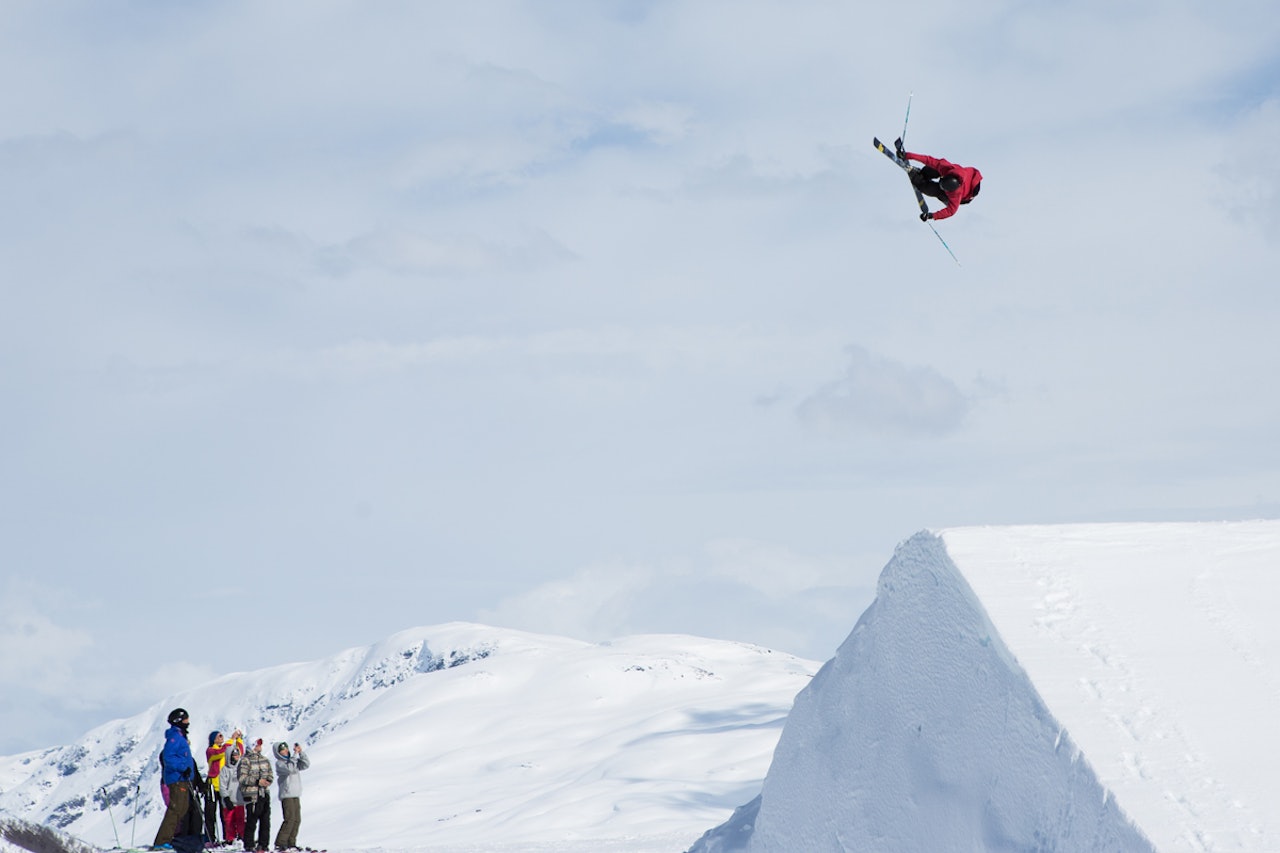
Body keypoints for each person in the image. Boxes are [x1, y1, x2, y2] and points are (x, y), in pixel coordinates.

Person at [894, 138, 982, 222]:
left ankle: (919, 181)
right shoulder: (946, 167)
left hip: (966, 196)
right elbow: (928, 159)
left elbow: (950, 211)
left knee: (932, 190)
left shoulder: (955, 196)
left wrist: (932, 216)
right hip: (964, 176)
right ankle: (922, 174)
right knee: (931, 169)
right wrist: (907, 155)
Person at [154, 708, 198, 849]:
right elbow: (168, 757)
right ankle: (161, 841)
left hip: (182, 778)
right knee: (176, 809)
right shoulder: (175, 738)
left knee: (182, 808)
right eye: (185, 719)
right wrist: (183, 767)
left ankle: (167, 839)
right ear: (179, 721)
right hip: (177, 778)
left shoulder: (180, 736)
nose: (187, 722)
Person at [207, 729, 243, 845]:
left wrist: (239, 739)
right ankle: (210, 838)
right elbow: (221, 752)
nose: (222, 738)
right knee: (211, 814)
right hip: (214, 786)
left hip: (225, 786)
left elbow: (239, 752)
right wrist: (232, 739)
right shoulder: (211, 751)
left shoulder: (226, 750)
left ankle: (228, 837)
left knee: (226, 814)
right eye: (219, 736)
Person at [238, 739, 274, 852]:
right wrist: (257, 781)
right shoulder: (245, 760)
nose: (260, 746)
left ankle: (263, 844)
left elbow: (270, 773)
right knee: (252, 820)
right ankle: (249, 844)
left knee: (265, 820)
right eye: (258, 744)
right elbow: (242, 778)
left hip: (264, 793)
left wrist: (268, 780)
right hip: (252, 794)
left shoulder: (264, 759)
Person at [273, 742, 311, 851]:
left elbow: (306, 764)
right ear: (278, 753)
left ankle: (291, 842)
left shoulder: (293, 761)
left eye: (286, 749)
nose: (285, 751)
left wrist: (301, 752)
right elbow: (289, 769)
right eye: (282, 750)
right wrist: (294, 755)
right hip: (287, 794)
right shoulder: (280, 763)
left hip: (296, 793)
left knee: (297, 820)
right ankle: (280, 843)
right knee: (289, 819)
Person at [220, 741, 247, 849]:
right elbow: (222, 786)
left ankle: (241, 837)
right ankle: (230, 839)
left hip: (239, 800)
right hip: (229, 801)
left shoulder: (241, 768)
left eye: (237, 754)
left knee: (241, 820)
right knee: (229, 821)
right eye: (234, 755)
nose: (236, 757)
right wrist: (226, 797)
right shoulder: (225, 770)